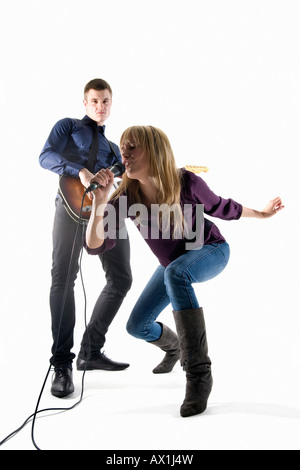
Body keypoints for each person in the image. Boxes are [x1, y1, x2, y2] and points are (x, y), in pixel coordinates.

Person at [84, 125, 284, 417]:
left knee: (176, 273)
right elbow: (94, 245)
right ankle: (175, 346)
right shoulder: (125, 197)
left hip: (211, 250)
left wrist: (262, 213)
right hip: (172, 265)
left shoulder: (186, 182)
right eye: (122, 148)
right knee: (137, 326)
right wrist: (100, 203)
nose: (123, 154)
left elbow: (222, 207)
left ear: (153, 151)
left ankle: (199, 375)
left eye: (131, 147)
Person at [39, 79, 132, 398]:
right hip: (71, 203)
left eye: (106, 101)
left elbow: (128, 176)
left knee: (121, 278)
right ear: (85, 103)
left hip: (108, 209)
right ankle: (61, 364)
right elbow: (45, 156)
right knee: (63, 278)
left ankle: (91, 351)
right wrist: (79, 171)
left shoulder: (115, 150)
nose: (100, 107)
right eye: (94, 101)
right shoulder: (67, 127)